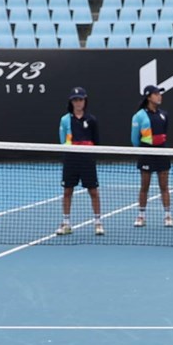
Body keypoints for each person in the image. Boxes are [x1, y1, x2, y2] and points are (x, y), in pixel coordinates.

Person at [55, 86, 104, 236]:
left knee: (93, 191)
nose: (78, 102)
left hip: (87, 159)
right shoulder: (65, 120)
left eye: (80, 99)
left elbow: (96, 140)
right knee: (67, 191)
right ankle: (66, 223)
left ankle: (98, 223)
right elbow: (62, 140)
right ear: (71, 102)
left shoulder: (91, 120)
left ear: (85, 101)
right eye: (75, 100)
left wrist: (88, 152)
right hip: (70, 159)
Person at [132, 84, 173, 228]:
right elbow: (134, 139)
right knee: (144, 186)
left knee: (164, 186)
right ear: (149, 97)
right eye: (156, 94)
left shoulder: (164, 115)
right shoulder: (139, 116)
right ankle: (141, 216)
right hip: (146, 152)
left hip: (162, 151)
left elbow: (165, 133)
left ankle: (168, 216)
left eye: (160, 94)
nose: (159, 96)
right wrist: (144, 150)